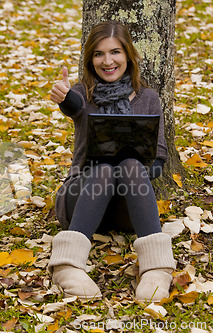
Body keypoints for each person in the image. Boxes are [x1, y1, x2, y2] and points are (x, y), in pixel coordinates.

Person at [47, 20, 176, 302]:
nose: (107, 61)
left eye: (115, 52)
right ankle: (67, 264)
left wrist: (140, 166)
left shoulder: (148, 98)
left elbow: (160, 154)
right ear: (90, 59)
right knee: (104, 168)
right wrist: (64, 97)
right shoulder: (83, 94)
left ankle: (157, 269)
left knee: (128, 165)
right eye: (98, 54)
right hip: (81, 197)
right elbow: (74, 107)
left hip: (127, 205)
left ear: (128, 54)